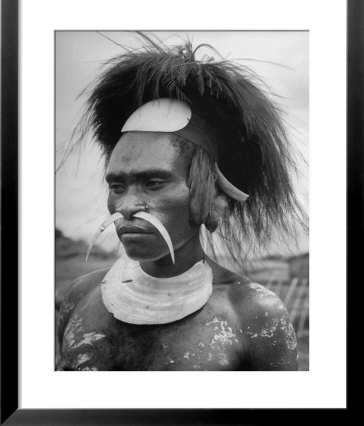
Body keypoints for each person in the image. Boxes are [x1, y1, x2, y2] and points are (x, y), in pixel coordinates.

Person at [56, 36, 305, 371]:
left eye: (153, 183)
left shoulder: (253, 315)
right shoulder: (78, 298)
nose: (127, 205)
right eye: (117, 185)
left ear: (209, 195)